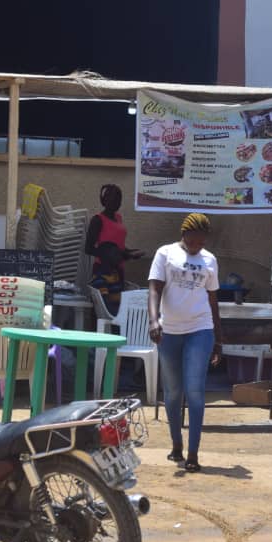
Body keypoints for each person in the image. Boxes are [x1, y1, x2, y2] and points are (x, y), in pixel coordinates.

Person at [147, 213, 222, 474]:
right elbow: (154, 288)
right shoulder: (165, 253)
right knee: (173, 392)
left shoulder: (209, 260)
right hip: (169, 331)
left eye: (202, 242)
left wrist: (218, 341)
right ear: (184, 234)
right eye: (193, 241)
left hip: (200, 329)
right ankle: (176, 443)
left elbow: (212, 300)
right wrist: (154, 320)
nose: (197, 246)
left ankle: (193, 453)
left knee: (195, 390)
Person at [85, 184, 144, 313]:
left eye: (118, 199)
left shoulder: (118, 218)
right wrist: (110, 255)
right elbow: (88, 248)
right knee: (105, 310)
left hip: (118, 270)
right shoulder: (98, 220)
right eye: (112, 199)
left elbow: (118, 245)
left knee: (118, 307)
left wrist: (129, 252)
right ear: (104, 200)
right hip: (103, 270)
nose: (116, 202)